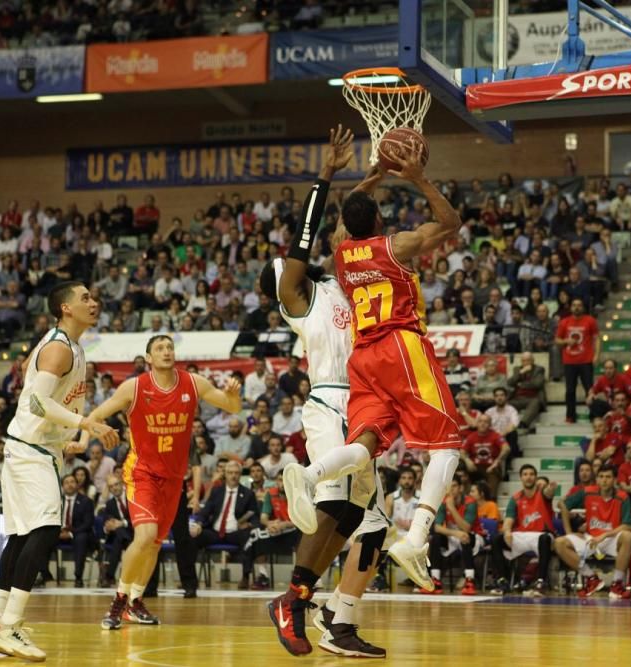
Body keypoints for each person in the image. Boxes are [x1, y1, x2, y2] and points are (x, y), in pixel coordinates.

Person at [282, 136, 463, 600]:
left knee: (364, 446)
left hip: (363, 358)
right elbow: (450, 223)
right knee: (446, 445)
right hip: (400, 346)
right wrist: (417, 177)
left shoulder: (342, 253)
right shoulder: (397, 245)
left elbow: (346, 220)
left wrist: (374, 177)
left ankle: (307, 473)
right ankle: (418, 537)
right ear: (380, 219)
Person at [262, 126, 390, 658]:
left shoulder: (358, 280)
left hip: (367, 407)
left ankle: (335, 619)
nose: (338, 239)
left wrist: (375, 177)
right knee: (337, 509)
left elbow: (352, 228)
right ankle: (292, 600)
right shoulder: (304, 296)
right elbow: (306, 239)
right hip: (329, 405)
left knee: (366, 521)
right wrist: (325, 175)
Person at [0, 282, 118, 662]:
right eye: (84, 298)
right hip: (30, 450)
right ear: (65, 308)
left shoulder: (69, 346)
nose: (93, 302)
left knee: (21, 536)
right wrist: (85, 424)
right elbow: (36, 400)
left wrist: (67, 434)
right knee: (48, 527)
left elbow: (28, 375)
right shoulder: (57, 347)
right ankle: (10, 624)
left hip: (34, 447)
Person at [87, 335, 241, 629]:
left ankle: (135, 600)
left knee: (155, 545)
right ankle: (119, 599)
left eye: (170, 347)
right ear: (149, 358)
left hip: (174, 479)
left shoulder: (193, 383)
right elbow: (97, 414)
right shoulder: (135, 387)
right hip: (142, 472)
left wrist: (234, 394)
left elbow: (232, 407)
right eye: (159, 348)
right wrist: (85, 436)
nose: (166, 351)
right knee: (144, 537)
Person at [555, 465, 631, 599]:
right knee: (559, 542)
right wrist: (568, 531)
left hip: (611, 538)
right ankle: (591, 579)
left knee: (628, 536)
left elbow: (627, 525)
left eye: (608, 477)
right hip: (590, 538)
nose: (604, 480)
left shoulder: (623, 497)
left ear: (614, 479)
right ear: (596, 479)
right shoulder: (587, 492)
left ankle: (617, 584)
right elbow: (561, 504)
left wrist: (605, 535)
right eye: (601, 477)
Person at [189, 460, 258, 589]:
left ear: (240, 474)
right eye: (230, 473)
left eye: (236, 473)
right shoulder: (217, 491)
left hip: (235, 532)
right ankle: (190, 579)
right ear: (225, 474)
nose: (233, 476)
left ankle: (245, 577)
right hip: (215, 531)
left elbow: (255, 516)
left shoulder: (248, 494)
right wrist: (198, 524)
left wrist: (249, 524)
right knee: (192, 538)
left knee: (249, 538)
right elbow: (206, 510)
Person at [490, 464, 557, 596]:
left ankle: (540, 582)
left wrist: (551, 488)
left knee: (545, 539)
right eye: (525, 474)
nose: (529, 477)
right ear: (521, 478)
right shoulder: (515, 498)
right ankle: (503, 581)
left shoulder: (542, 493)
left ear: (535, 477)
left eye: (531, 474)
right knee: (497, 539)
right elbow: (508, 519)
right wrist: (507, 531)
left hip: (541, 535)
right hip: (522, 535)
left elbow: (549, 493)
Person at [427, 480, 482, 595]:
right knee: (436, 538)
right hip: (454, 535)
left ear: (461, 488)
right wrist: (455, 533)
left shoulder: (470, 502)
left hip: (474, 535)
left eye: (454, 486)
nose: (451, 490)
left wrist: (452, 508)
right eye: (448, 487)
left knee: (464, 537)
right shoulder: (443, 501)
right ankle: (435, 580)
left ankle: (469, 580)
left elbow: (466, 528)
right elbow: (437, 527)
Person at [555, 298, 600, 424]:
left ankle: (593, 415)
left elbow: (597, 339)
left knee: (589, 389)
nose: (576, 307)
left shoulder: (590, 320)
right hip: (569, 361)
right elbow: (557, 340)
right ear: (570, 307)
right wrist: (566, 341)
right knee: (570, 390)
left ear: (583, 307)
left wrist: (596, 355)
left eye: (579, 305)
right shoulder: (564, 322)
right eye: (574, 305)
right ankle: (570, 416)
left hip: (586, 360)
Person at [98, 475, 132, 588]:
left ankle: (109, 576)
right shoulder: (110, 504)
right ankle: (117, 576)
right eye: (111, 486)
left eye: (116, 484)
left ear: (122, 484)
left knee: (119, 533)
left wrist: (123, 523)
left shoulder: (132, 498)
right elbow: (106, 524)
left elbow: (138, 519)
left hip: (134, 533)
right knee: (119, 535)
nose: (115, 488)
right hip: (120, 537)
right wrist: (107, 527)